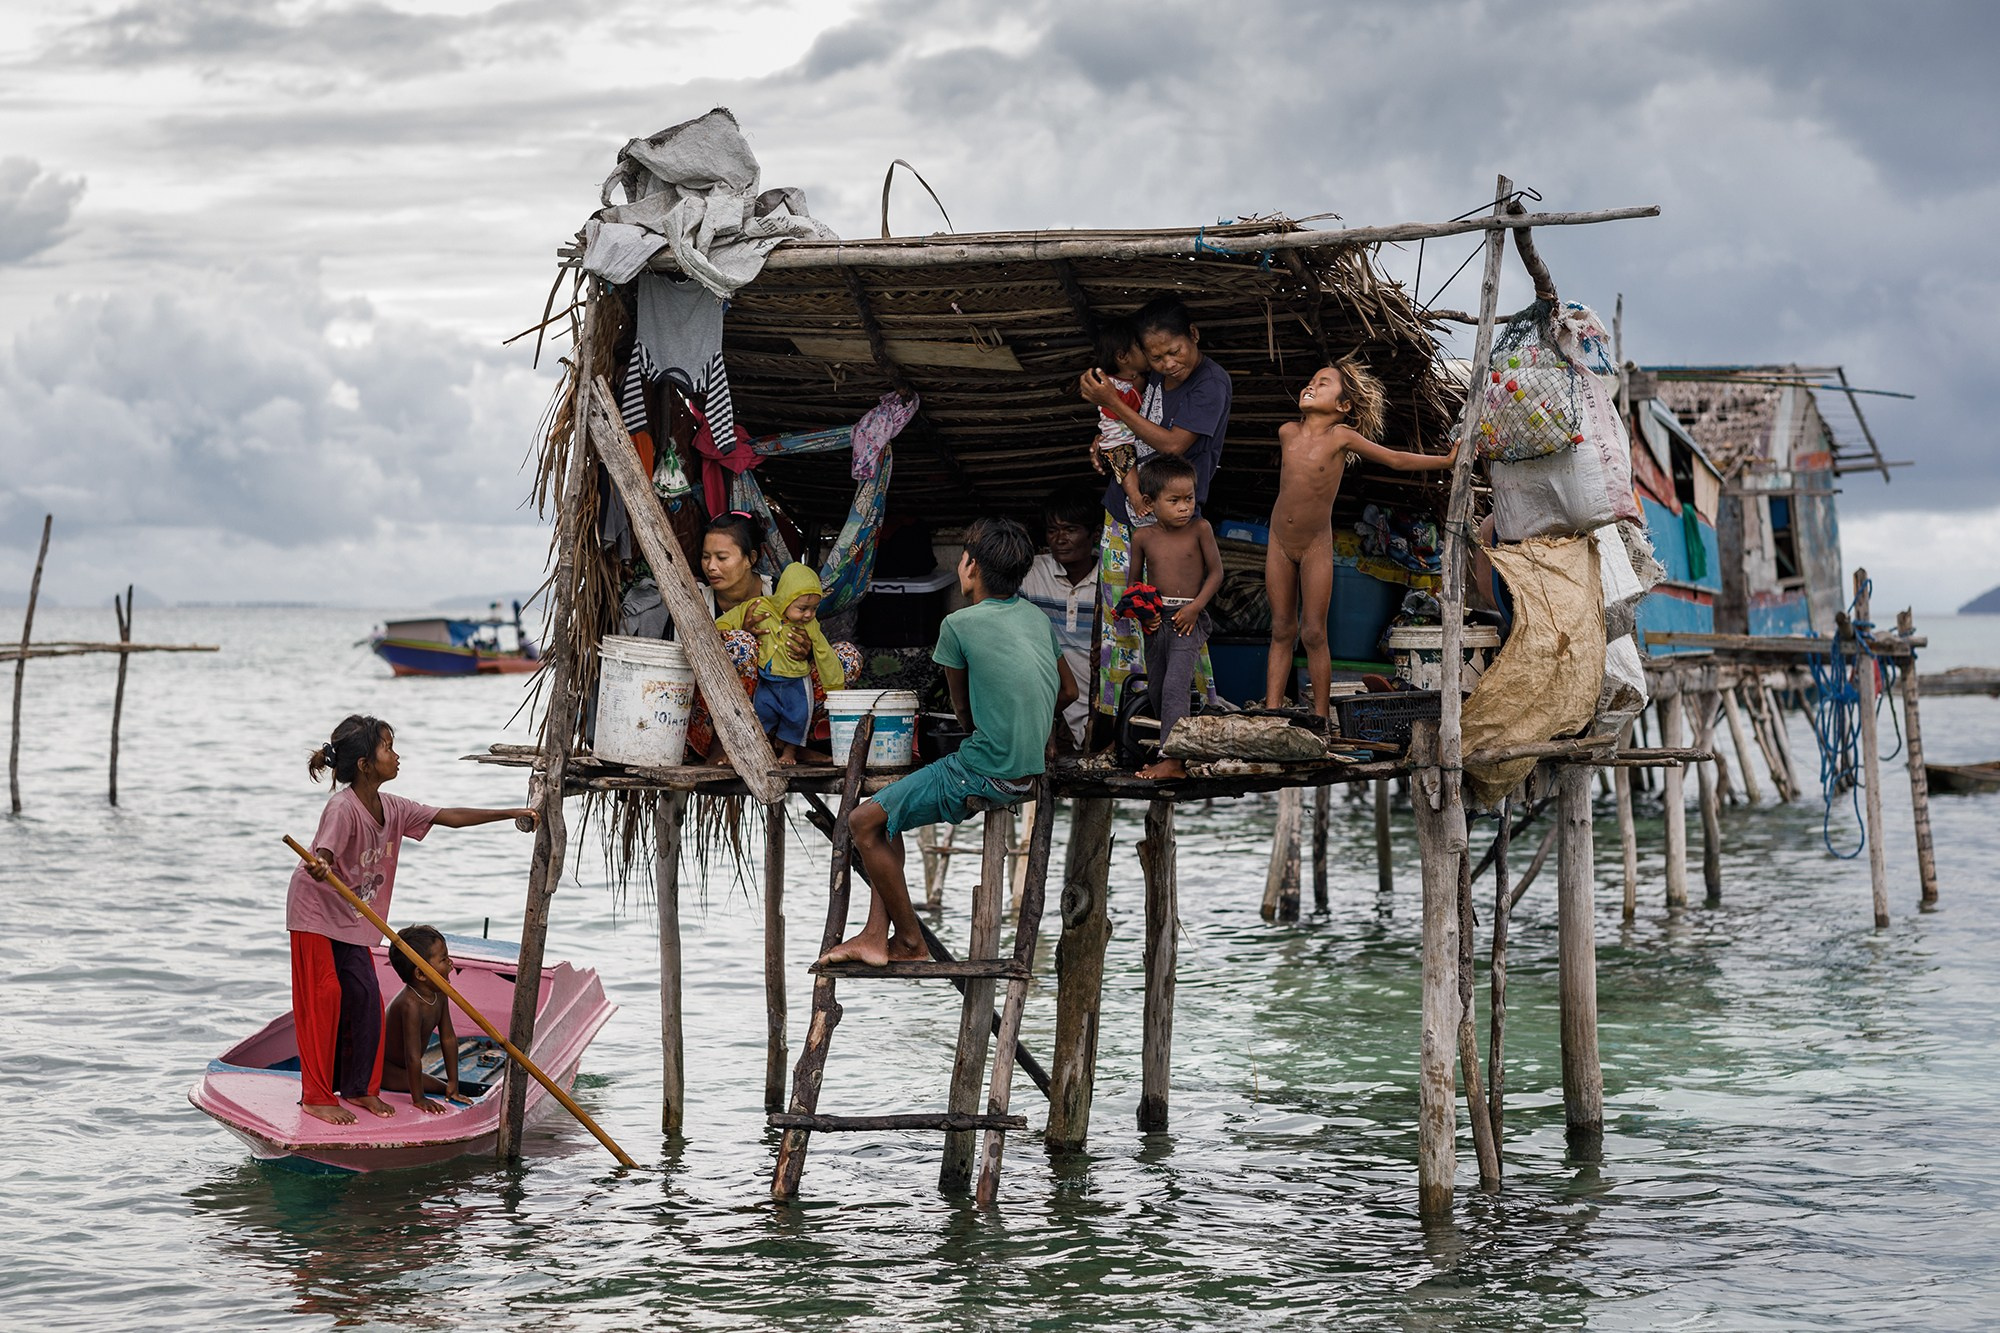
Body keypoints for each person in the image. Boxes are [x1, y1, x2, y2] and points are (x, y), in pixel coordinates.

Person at [820, 518, 1077, 967]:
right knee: (888, 818)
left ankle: (910, 942)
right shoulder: (1035, 617)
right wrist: (1032, 725)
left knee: (862, 822)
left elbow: (961, 711)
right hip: (1025, 770)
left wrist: (994, 724)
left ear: (970, 567)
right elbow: (1068, 692)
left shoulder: (958, 624)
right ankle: (875, 935)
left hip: (984, 768)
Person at [289, 716, 535, 1125]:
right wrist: (321, 865)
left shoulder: (395, 808)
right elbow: (325, 856)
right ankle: (316, 1095)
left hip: (350, 919)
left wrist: (509, 813)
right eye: (388, 748)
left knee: (367, 999)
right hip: (315, 911)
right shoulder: (342, 807)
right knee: (326, 995)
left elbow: (448, 816)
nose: (396, 755)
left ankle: (360, 1090)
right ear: (366, 764)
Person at [1266, 361, 1458, 717]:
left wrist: (1446, 461)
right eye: (1310, 380)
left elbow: (1395, 460)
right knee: (1281, 628)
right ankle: (1272, 710)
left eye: (1322, 383)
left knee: (1313, 633)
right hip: (1279, 542)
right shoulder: (1287, 432)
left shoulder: (1341, 437)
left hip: (1315, 546)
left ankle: (1320, 718)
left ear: (1343, 406)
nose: (1310, 386)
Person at [1078, 296, 1232, 721]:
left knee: (1173, 625)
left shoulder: (1210, 383)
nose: (1167, 363)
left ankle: (1185, 725)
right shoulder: (1153, 382)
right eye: (1157, 355)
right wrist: (1106, 440)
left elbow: (1173, 444)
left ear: (1193, 336)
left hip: (1173, 526)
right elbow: (1124, 430)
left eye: (1174, 351)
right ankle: (1127, 721)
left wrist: (1116, 405)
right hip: (1124, 515)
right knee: (1124, 618)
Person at [1125, 455, 1223, 780]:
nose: (1185, 507)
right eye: (1175, 501)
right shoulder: (1142, 537)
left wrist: (1195, 607)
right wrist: (1145, 615)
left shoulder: (1200, 528)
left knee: (1174, 686)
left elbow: (1216, 574)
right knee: (1157, 688)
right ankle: (1167, 748)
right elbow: (1134, 585)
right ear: (1150, 503)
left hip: (1188, 619)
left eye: (1189, 499)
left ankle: (1174, 760)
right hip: (1156, 621)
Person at [716, 561, 846, 763]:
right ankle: (760, 749)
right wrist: (724, 628)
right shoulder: (759, 607)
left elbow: (824, 652)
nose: (809, 614)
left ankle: (790, 753)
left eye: (814, 608)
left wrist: (834, 686)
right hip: (767, 679)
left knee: (797, 717)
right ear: (785, 599)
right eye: (803, 608)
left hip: (796, 682)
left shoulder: (810, 624)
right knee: (761, 712)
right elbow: (731, 618)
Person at [1020, 486, 1102, 747]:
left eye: (1070, 529)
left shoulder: (1112, 581)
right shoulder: (1031, 573)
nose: (1060, 539)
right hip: (1049, 706)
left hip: (1100, 707)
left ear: (1095, 534)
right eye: (1053, 530)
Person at [381, 924, 460, 1115]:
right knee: (438, 1089)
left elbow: (448, 1038)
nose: (450, 963)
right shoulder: (410, 1005)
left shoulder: (439, 993)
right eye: (443, 959)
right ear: (421, 974)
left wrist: (453, 1083)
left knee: (447, 1088)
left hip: (405, 1067)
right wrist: (419, 1099)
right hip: (386, 1071)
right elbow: (412, 1056)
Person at [1086, 318, 1151, 522]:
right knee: (1126, 467)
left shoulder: (1134, 378)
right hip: (1117, 441)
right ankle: (1135, 499)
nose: (1148, 350)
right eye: (1141, 347)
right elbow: (1115, 411)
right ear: (1123, 356)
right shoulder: (1108, 385)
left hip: (1128, 437)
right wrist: (1135, 391)